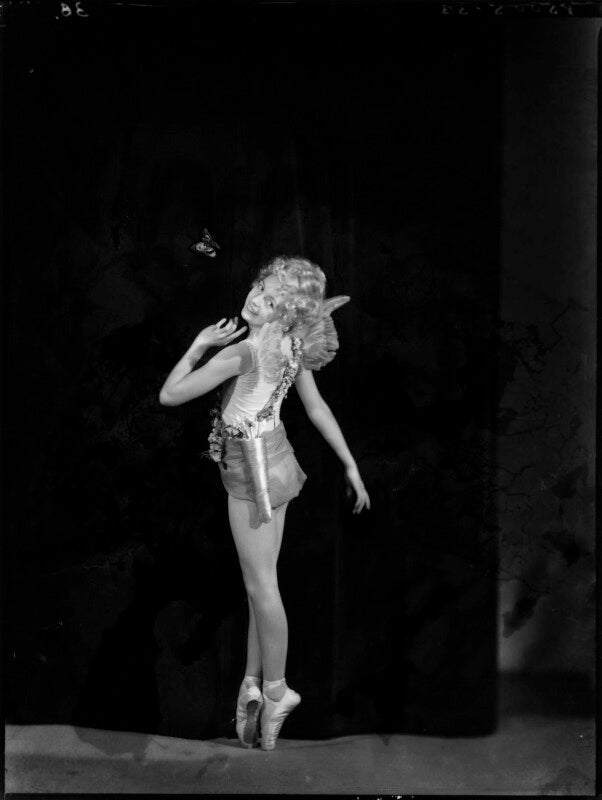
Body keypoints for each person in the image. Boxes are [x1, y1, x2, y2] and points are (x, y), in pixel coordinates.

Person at [159, 255, 370, 750]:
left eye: (272, 301)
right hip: (278, 462)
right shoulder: (290, 345)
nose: (257, 299)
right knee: (263, 585)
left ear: (286, 314)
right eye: (260, 287)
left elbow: (170, 395)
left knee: (261, 586)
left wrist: (199, 345)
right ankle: (252, 684)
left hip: (252, 474)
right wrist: (351, 464)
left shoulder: (244, 352)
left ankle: (276, 689)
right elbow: (315, 408)